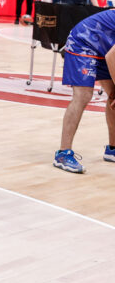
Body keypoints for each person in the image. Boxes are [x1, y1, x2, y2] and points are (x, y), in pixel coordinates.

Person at [53, 10, 115, 173]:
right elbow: (111, 57)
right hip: (83, 41)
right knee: (83, 95)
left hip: (105, 46)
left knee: (113, 95)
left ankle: (112, 149)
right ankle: (63, 153)